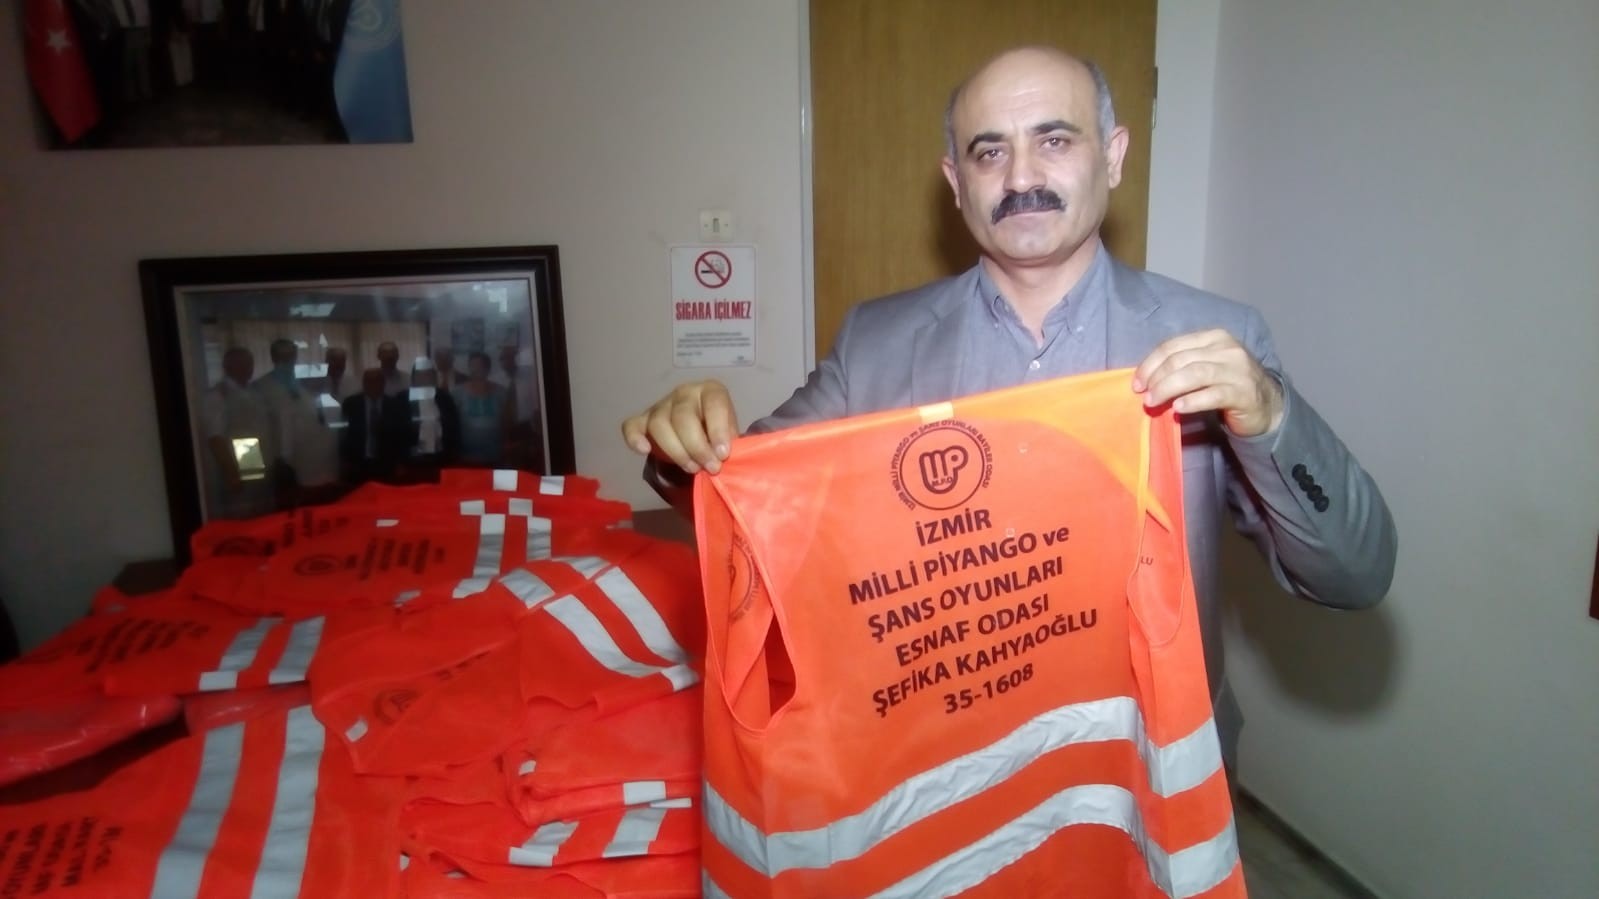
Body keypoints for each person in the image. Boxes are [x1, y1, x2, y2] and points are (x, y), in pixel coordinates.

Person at [621, 45, 1397, 769]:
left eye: (1054, 140)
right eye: (988, 152)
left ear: (1113, 156)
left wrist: (1270, 415)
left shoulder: (1213, 339)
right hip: (949, 780)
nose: (1021, 175)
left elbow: (1354, 576)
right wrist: (684, 445)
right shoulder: (875, 345)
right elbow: (748, 508)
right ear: (955, 182)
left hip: (1152, 773)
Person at [253, 337, 339, 504]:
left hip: (310, 459)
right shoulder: (261, 387)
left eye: (290, 355)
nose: (287, 360)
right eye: (282, 356)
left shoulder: (302, 385)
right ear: (273, 357)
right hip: (276, 458)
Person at [198, 346, 273, 518]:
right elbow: (215, 437)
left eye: (250, 363)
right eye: (242, 364)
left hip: (258, 463)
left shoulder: (253, 392)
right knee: (242, 514)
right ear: (228, 366)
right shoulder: (217, 395)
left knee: (261, 513)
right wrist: (231, 473)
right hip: (238, 464)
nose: (248, 368)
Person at [341, 367, 416, 484]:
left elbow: (404, 437)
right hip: (358, 464)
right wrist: (345, 461)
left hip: (387, 464)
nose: (373, 385)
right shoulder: (351, 404)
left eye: (377, 381)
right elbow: (343, 434)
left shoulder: (396, 405)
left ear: (383, 383)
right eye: (369, 381)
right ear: (363, 384)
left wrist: (402, 463)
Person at [456, 351, 512, 467]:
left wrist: (506, 447)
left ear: (488, 369)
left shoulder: (501, 392)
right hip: (466, 457)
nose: (476, 369)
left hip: (495, 455)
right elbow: (452, 424)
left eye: (480, 366)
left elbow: (507, 422)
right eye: (472, 366)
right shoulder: (457, 392)